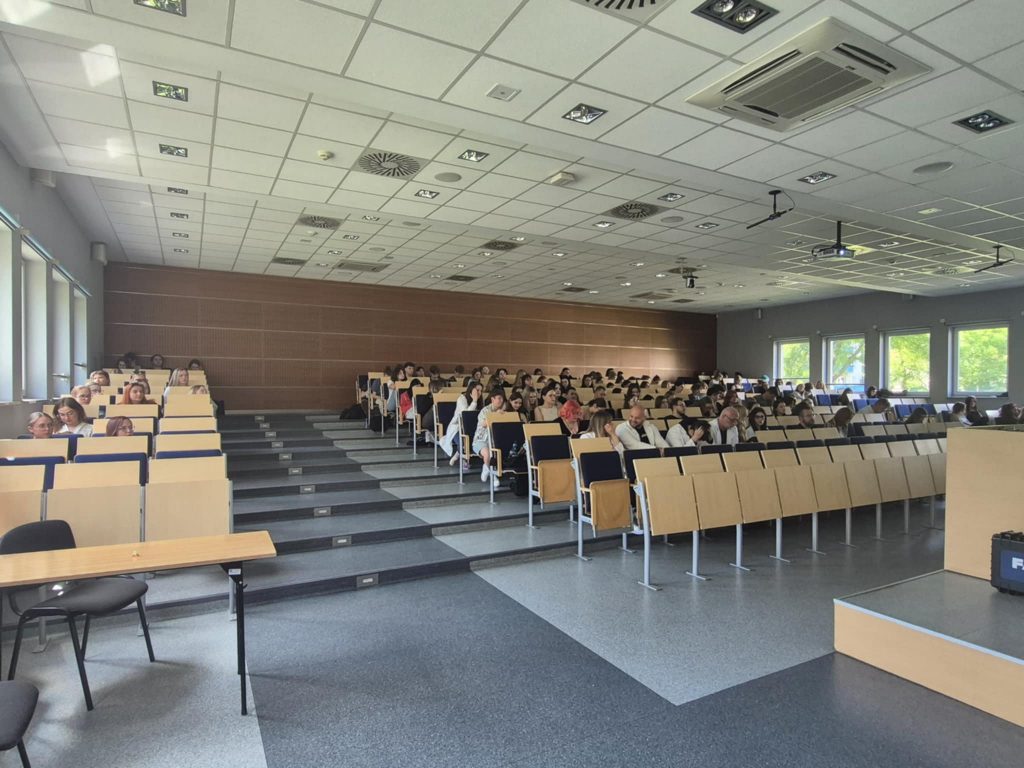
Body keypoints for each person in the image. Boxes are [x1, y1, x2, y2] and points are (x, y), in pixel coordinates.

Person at [440, 381, 482, 464]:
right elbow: (466, 416)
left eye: (481, 391)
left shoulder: (480, 400)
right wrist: (474, 401)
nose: (479, 393)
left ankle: (457, 455)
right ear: (471, 390)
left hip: (472, 428)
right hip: (457, 427)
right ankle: (463, 459)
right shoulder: (462, 399)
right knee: (463, 442)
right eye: (477, 390)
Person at [471, 389, 505, 488]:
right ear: (492, 399)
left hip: (495, 441)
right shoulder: (485, 410)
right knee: (487, 454)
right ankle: (493, 476)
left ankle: (486, 468)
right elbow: (484, 424)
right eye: (499, 398)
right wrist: (496, 415)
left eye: (502, 398)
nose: (501, 400)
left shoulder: (503, 412)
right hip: (481, 440)